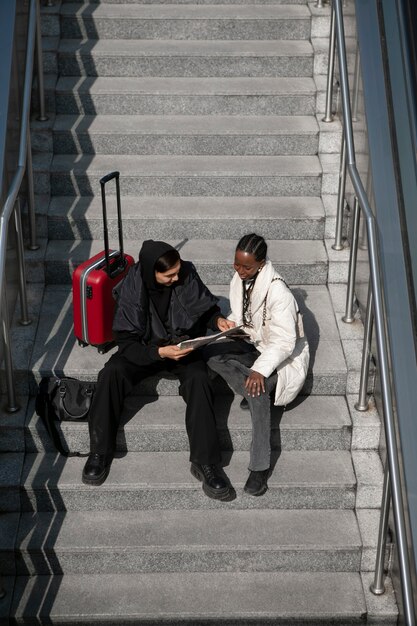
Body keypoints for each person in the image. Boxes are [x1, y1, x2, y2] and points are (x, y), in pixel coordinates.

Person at [82, 239, 233, 501]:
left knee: (199, 378)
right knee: (111, 373)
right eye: (169, 274)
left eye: (178, 271)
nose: (177, 277)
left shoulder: (185, 272)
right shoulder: (132, 285)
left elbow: (204, 308)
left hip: (182, 346)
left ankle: (206, 463)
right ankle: (99, 451)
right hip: (145, 349)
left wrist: (217, 320)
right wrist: (159, 352)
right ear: (152, 271)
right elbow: (126, 343)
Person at [207, 234, 309, 497]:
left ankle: (259, 467)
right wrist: (229, 325)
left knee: (257, 391)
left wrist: (258, 371)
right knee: (209, 355)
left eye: (247, 267)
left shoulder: (279, 293)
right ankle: (250, 387)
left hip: (282, 359)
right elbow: (245, 315)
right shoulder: (241, 279)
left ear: (261, 264)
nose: (240, 271)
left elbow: (286, 343)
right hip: (254, 345)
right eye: (236, 264)